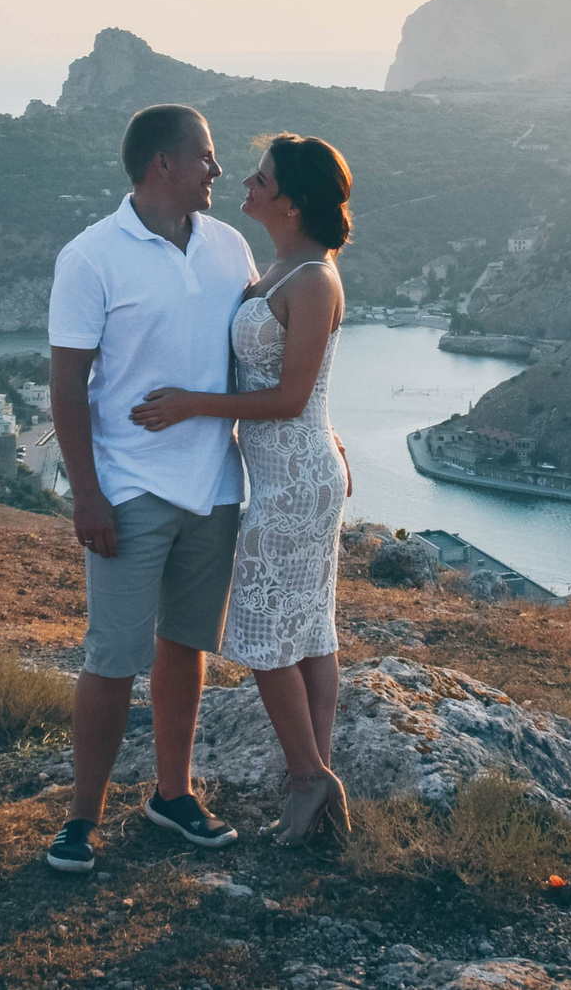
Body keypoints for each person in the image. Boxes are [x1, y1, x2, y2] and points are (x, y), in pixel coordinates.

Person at [42, 104, 254, 874]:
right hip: (128, 487)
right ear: (165, 163)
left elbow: (266, 349)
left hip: (214, 485)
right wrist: (86, 494)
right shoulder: (92, 256)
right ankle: (81, 817)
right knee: (112, 656)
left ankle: (173, 795)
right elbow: (68, 386)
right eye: (206, 156)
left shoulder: (230, 247)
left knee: (186, 645)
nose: (217, 171)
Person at [132, 133, 354, 846]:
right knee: (307, 631)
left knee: (266, 636)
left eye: (259, 178)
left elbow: (292, 397)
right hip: (288, 472)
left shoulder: (315, 279)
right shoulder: (280, 266)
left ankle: (308, 779)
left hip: (294, 479)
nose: (244, 183)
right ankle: (314, 786)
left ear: (290, 200)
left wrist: (194, 403)